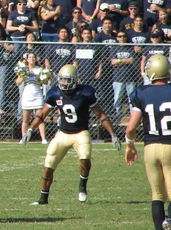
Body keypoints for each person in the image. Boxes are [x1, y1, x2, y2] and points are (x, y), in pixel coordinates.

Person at [21, 64, 121, 205]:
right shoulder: (54, 93)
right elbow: (42, 114)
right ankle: (43, 199)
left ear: (75, 80)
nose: (64, 83)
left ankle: (82, 187)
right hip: (62, 134)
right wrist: (30, 129)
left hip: (81, 133)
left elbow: (101, 115)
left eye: (67, 80)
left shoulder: (86, 93)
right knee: (48, 165)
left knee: (85, 157)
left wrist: (113, 134)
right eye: (62, 80)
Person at [125, 55, 171, 230]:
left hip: (150, 148)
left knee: (157, 195)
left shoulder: (141, 93)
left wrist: (130, 146)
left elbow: (130, 128)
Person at [16, 52, 48, 144]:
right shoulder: (23, 69)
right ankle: (23, 138)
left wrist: (42, 77)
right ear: (27, 59)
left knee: (40, 118)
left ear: (36, 59)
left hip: (37, 94)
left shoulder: (40, 69)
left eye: (33, 57)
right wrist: (22, 75)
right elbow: (17, 82)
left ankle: (43, 139)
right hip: (27, 94)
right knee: (25, 119)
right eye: (30, 57)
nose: (31, 59)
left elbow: (44, 82)